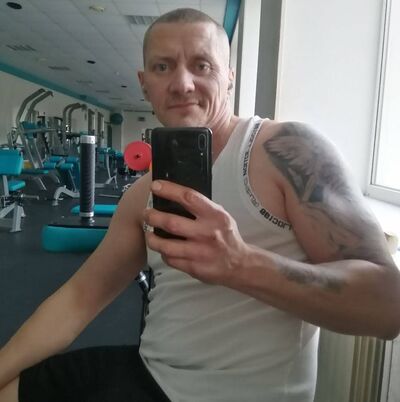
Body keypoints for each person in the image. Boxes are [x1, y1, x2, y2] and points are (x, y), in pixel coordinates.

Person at [1, 7, 400, 402]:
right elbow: (78, 299)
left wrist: (240, 264)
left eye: (202, 65)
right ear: (144, 84)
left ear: (229, 77)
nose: (182, 84)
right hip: (149, 373)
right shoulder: (142, 194)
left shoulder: (287, 151)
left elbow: (387, 307)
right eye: (163, 67)